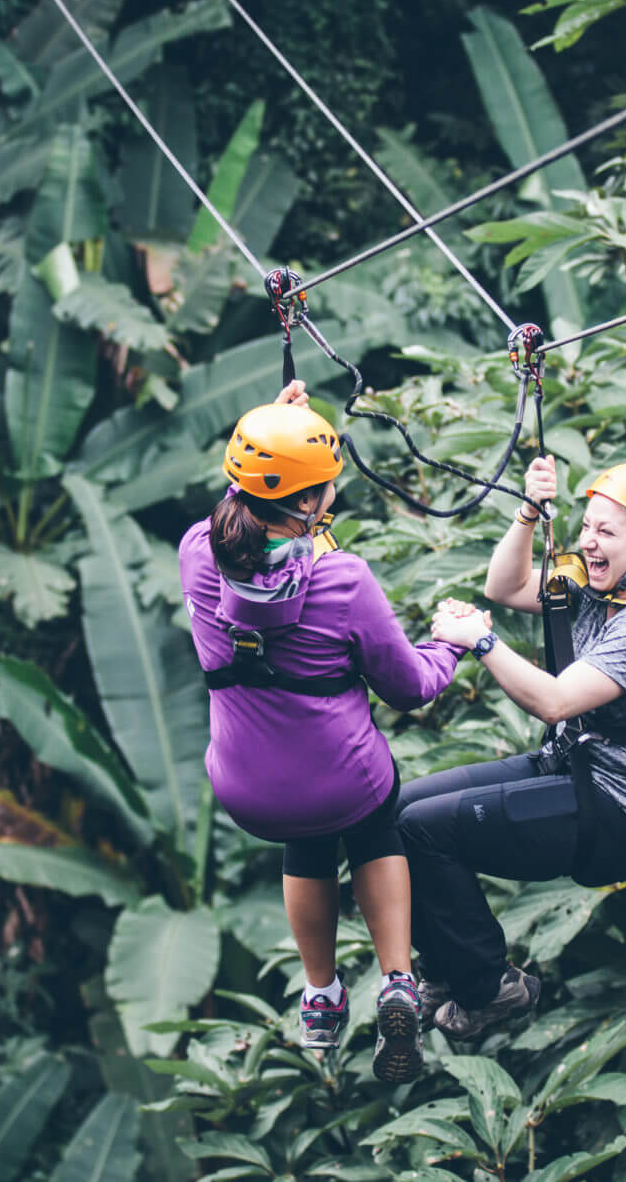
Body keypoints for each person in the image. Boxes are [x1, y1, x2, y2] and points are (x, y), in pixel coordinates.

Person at [177, 380, 464, 1083]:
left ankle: (320, 995)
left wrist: (281, 436)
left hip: (249, 789)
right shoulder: (344, 580)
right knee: (373, 819)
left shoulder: (196, 551)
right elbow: (410, 687)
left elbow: (254, 516)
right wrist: (451, 644)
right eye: (326, 485)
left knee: (304, 834)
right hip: (343, 781)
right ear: (310, 504)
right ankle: (397, 981)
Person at [397, 455, 626, 1040]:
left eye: (605, 532)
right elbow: (504, 587)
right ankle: (443, 971)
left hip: (619, 813)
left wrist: (481, 641)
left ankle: (488, 988)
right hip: (571, 768)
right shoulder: (597, 586)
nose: (588, 542)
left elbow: (556, 702)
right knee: (399, 810)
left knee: (424, 830)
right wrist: (529, 511)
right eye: (586, 526)